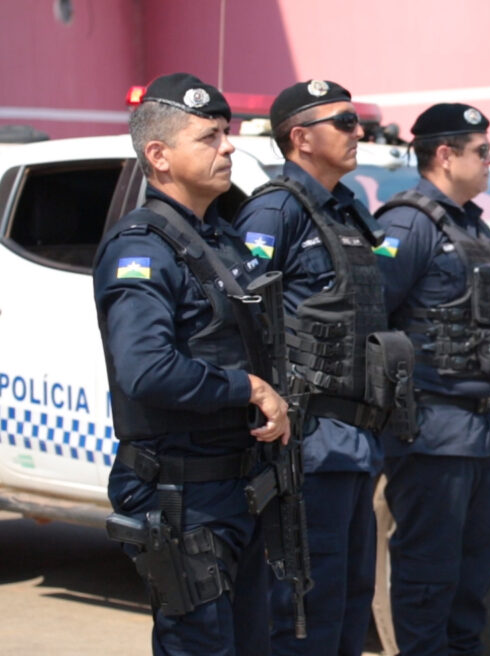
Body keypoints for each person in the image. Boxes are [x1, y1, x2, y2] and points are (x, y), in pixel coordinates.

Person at [93, 72, 291, 656]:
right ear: (159, 155)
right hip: (183, 495)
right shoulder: (141, 248)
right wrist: (248, 388)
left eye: (226, 133)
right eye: (209, 137)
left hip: (240, 487)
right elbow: (146, 369)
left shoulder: (220, 241)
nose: (228, 148)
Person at [233, 80, 395, 656]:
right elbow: (241, 318)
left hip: (354, 441)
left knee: (349, 608)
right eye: (344, 122)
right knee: (305, 615)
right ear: (301, 138)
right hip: (307, 445)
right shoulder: (275, 211)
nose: (358, 132)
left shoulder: (348, 211)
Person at [372, 103, 490, 656]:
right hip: (432, 433)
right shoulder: (406, 224)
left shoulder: (471, 224)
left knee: (474, 582)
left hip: (483, 430)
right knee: (427, 579)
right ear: (445, 155)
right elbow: (370, 318)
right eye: (481, 151)